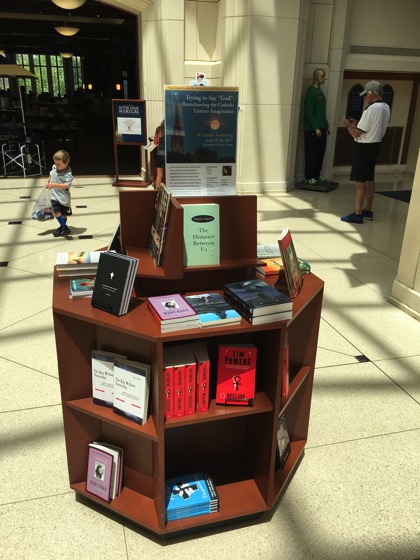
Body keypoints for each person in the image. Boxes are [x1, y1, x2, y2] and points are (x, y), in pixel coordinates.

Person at [341, 80, 390, 224]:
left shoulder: (371, 109)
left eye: (366, 95)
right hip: (375, 145)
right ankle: (368, 210)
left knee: (360, 181)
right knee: (369, 178)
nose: (365, 98)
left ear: (373, 93)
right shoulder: (386, 107)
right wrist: (355, 125)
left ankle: (357, 213)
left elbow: (356, 134)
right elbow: (370, 127)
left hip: (364, 147)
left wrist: (347, 126)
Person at [303, 68, 330, 185]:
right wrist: (315, 128)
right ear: (316, 77)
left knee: (320, 153)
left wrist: (326, 125)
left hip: (322, 128)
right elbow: (309, 112)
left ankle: (316, 174)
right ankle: (308, 176)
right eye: (322, 76)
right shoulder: (311, 92)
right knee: (312, 153)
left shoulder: (320, 92)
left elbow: (321, 112)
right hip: (313, 130)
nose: (323, 79)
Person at [45, 149, 73, 237]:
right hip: (54, 196)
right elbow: (51, 174)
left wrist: (54, 185)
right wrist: (48, 181)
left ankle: (62, 227)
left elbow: (66, 186)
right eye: (55, 163)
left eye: (58, 164)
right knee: (56, 211)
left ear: (66, 162)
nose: (56, 166)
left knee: (63, 214)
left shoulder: (68, 174)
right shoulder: (54, 167)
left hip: (63, 198)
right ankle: (65, 228)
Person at [153, 119, 165, 188]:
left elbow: (155, 142)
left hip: (160, 154)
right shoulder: (170, 129)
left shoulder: (158, 129)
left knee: (159, 175)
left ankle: (157, 192)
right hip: (168, 155)